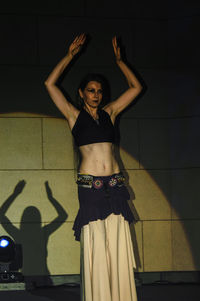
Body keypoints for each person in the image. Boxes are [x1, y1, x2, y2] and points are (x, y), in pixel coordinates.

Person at [45, 33, 142, 301]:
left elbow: (135, 88)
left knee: (118, 240)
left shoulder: (110, 113)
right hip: (91, 186)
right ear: (81, 93)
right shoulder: (73, 116)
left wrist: (121, 62)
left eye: (99, 91)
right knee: (97, 242)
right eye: (91, 90)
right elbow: (50, 83)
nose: (96, 95)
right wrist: (70, 56)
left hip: (115, 184)